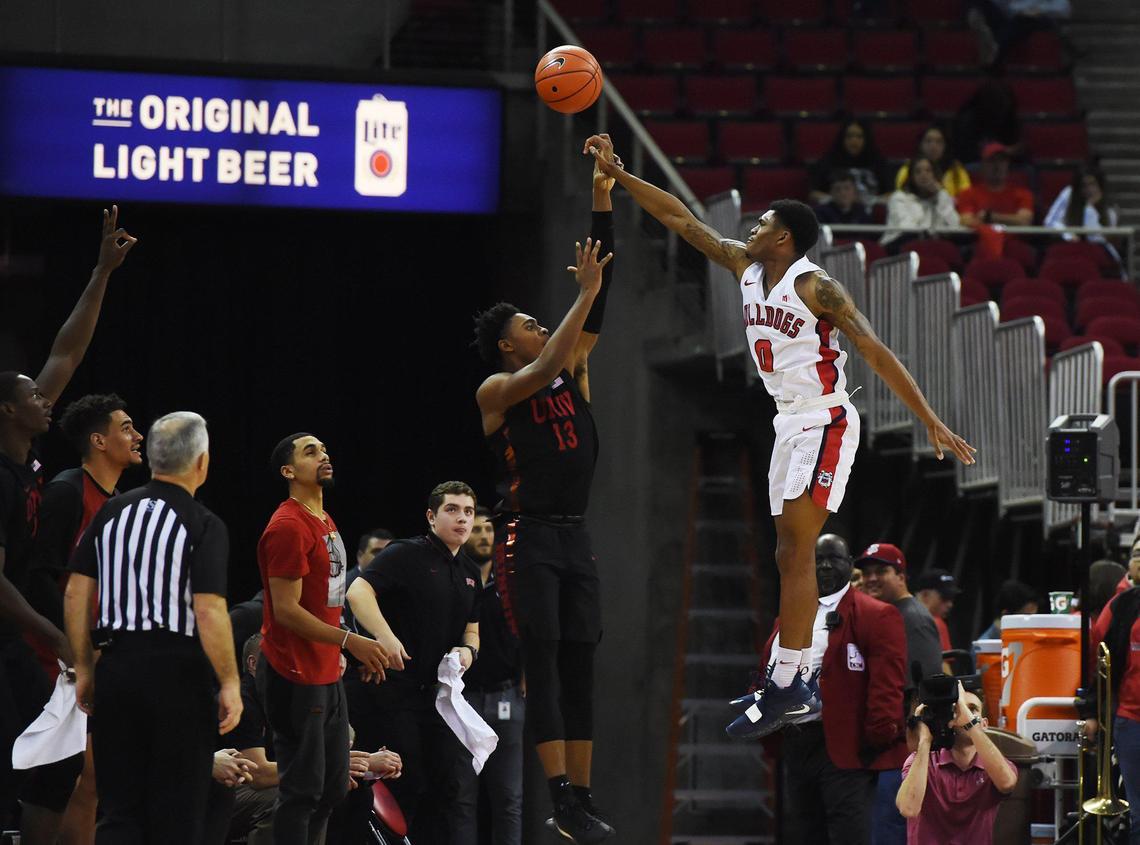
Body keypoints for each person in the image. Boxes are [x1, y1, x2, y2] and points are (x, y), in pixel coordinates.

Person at [586, 134, 973, 742]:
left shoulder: (816, 286)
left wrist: (928, 417)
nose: (753, 226)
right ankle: (793, 681)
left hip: (827, 417)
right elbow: (682, 221)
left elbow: (872, 347)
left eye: (764, 222)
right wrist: (620, 175)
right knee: (785, 555)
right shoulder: (745, 265)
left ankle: (790, 679)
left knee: (797, 550)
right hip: (787, 421)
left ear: (784, 237)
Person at [472, 141, 620, 844]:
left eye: (542, 319)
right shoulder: (499, 389)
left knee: (583, 660)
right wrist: (583, 296)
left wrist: (602, 195)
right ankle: (557, 796)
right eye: (527, 323)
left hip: (574, 533)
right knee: (546, 661)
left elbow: (601, 286)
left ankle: (582, 799)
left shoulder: (573, 368)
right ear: (507, 346)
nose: (540, 326)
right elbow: (563, 341)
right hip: (525, 534)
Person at [0, 206, 136, 843]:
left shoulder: (23, 460)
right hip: (20, 638)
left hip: (35, 636)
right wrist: (58, 635)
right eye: (32, 395)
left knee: (67, 771)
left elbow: (67, 350)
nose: (44, 399)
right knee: (45, 773)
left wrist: (101, 271)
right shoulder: (19, 482)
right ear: (7, 409)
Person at [63, 411, 242, 844]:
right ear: (201, 461)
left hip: (117, 668)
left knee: (120, 811)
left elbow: (74, 593)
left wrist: (85, 668)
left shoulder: (111, 511)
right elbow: (209, 610)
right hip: (178, 676)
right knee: (177, 812)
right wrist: (230, 682)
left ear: (156, 458)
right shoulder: (203, 522)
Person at [730, 534, 907, 844]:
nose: (824, 565)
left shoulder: (876, 615)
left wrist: (877, 735)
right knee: (803, 833)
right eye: (818, 559)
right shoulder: (789, 616)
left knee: (848, 834)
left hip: (843, 745)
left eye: (833, 558)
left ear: (849, 566)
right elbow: (768, 671)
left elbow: (887, 684)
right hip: (796, 743)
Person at [257, 432, 388, 845]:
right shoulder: (287, 526)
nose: (324, 455)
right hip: (294, 673)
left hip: (326, 669)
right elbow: (287, 610)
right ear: (288, 471)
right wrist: (351, 641)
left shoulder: (324, 520)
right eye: (310, 452)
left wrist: (344, 648)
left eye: (325, 449)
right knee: (303, 792)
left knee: (333, 788)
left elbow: (326, 602)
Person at [27, 393, 143, 845]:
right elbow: (38, 576)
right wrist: (72, 644)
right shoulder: (66, 490)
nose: (138, 436)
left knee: (92, 778)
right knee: (59, 777)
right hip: (56, 659)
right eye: (127, 427)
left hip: (98, 655)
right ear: (98, 440)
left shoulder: (120, 502)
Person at [344, 481, 482, 845]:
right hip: (390, 688)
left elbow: (473, 631)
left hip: (436, 696)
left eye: (468, 511)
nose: (462, 519)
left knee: (447, 785)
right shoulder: (407, 554)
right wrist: (384, 637)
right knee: (405, 779)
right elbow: (358, 591)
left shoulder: (469, 571)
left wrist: (467, 653)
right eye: (452, 510)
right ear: (431, 516)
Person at [857, 543, 944, 845]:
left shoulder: (913, 619)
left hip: (900, 756)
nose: (872, 579)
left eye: (881, 571)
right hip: (886, 754)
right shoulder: (889, 614)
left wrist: (916, 752)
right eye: (866, 573)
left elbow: (925, 691)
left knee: (891, 834)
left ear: (901, 575)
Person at [454, 506, 524, 845]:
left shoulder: (511, 582)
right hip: (462, 700)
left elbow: (529, 633)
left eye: (487, 530)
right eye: (476, 530)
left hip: (505, 697)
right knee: (462, 798)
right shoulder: (456, 579)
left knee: (508, 797)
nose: (483, 535)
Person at [895, 682, 1019, 845]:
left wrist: (969, 723)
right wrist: (925, 740)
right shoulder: (925, 761)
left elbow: (1007, 783)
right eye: (957, 709)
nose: (964, 714)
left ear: (984, 724)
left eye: (972, 709)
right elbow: (908, 808)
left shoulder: (992, 766)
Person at [1090, 582, 1140, 844]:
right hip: (1131, 721)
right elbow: (1098, 653)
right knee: (1138, 815)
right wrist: (1091, 710)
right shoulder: (1123, 604)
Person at [1043, 165, 1123, 272]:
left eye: (1092, 184)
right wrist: (1068, 235)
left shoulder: (1110, 208)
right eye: (1084, 185)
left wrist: (1089, 208)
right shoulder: (1069, 194)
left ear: (1100, 184)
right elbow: (1049, 222)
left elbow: (1096, 239)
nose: (1089, 190)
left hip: (1097, 255)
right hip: (1072, 250)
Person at [808, 119, 891, 210]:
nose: (854, 140)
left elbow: (891, 194)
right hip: (835, 216)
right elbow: (813, 193)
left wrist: (872, 201)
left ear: (866, 139)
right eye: (849, 136)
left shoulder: (878, 162)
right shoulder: (828, 161)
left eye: (859, 136)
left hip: (870, 218)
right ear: (842, 139)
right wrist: (835, 200)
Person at [881, 156, 960, 248]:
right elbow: (907, 228)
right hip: (898, 243)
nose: (924, 175)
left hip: (930, 244)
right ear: (911, 177)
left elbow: (954, 226)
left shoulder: (941, 196)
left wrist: (941, 195)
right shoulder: (898, 198)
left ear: (935, 174)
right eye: (918, 171)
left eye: (928, 171)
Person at [955, 143, 1033, 228]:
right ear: (983, 165)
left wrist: (990, 217)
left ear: (1008, 165)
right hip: (981, 240)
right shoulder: (968, 194)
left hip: (1013, 241)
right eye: (992, 160)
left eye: (1002, 161)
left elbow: (1024, 221)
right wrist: (1011, 220)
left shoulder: (1023, 193)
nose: (997, 166)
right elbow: (966, 221)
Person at [894, 125, 971, 197]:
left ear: (945, 146)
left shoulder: (956, 170)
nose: (933, 146)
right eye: (928, 141)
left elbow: (966, 199)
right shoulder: (908, 169)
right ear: (920, 145)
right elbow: (902, 195)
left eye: (939, 142)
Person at [342, 528, 394, 632]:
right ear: (360, 556)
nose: (383, 557)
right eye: (377, 552)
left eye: (388, 552)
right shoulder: (342, 586)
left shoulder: (395, 585)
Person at [913, 568, 960, 655]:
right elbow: (943, 666)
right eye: (945, 597)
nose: (950, 604)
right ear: (925, 595)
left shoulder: (899, 616)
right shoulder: (935, 624)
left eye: (951, 598)